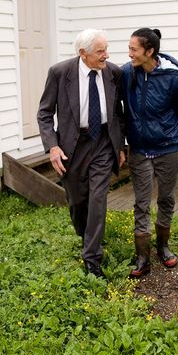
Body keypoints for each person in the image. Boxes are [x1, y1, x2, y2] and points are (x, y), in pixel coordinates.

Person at [37, 29, 125, 278]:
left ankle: (92, 258)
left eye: (106, 49)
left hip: (103, 142)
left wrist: (119, 145)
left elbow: (119, 112)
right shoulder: (60, 72)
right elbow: (44, 113)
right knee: (77, 201)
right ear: (83, 53)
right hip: (72, 146)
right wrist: (52, 146)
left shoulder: (114, 73)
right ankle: (86, 236)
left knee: (98, 198)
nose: (106, 55)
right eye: (100, 51)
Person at [122, 28, 178, 278]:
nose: (129, 53)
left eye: (134, 49)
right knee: (141, 203)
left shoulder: (173, 76)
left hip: (168, 147)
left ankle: (163, 246)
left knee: (166, 198)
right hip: (140, 149)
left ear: (149, 51)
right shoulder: (126, 73)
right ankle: (142, 256)